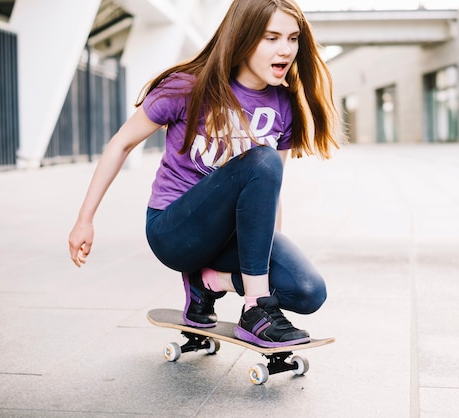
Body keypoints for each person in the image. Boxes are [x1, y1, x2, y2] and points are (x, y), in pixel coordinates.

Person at [68, 0, 340, 348]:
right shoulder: (189, 86)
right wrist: (85, 219)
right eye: (271, 38)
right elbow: (121, 143)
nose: (285, 50)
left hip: (229, 240)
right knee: (263, 159)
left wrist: (265, 255)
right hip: (175, 231)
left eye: (292, 38)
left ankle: (207, 283)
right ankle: (256, 309)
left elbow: (271, 192)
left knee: (307, 291)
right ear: (243, 38)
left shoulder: (283, 104)